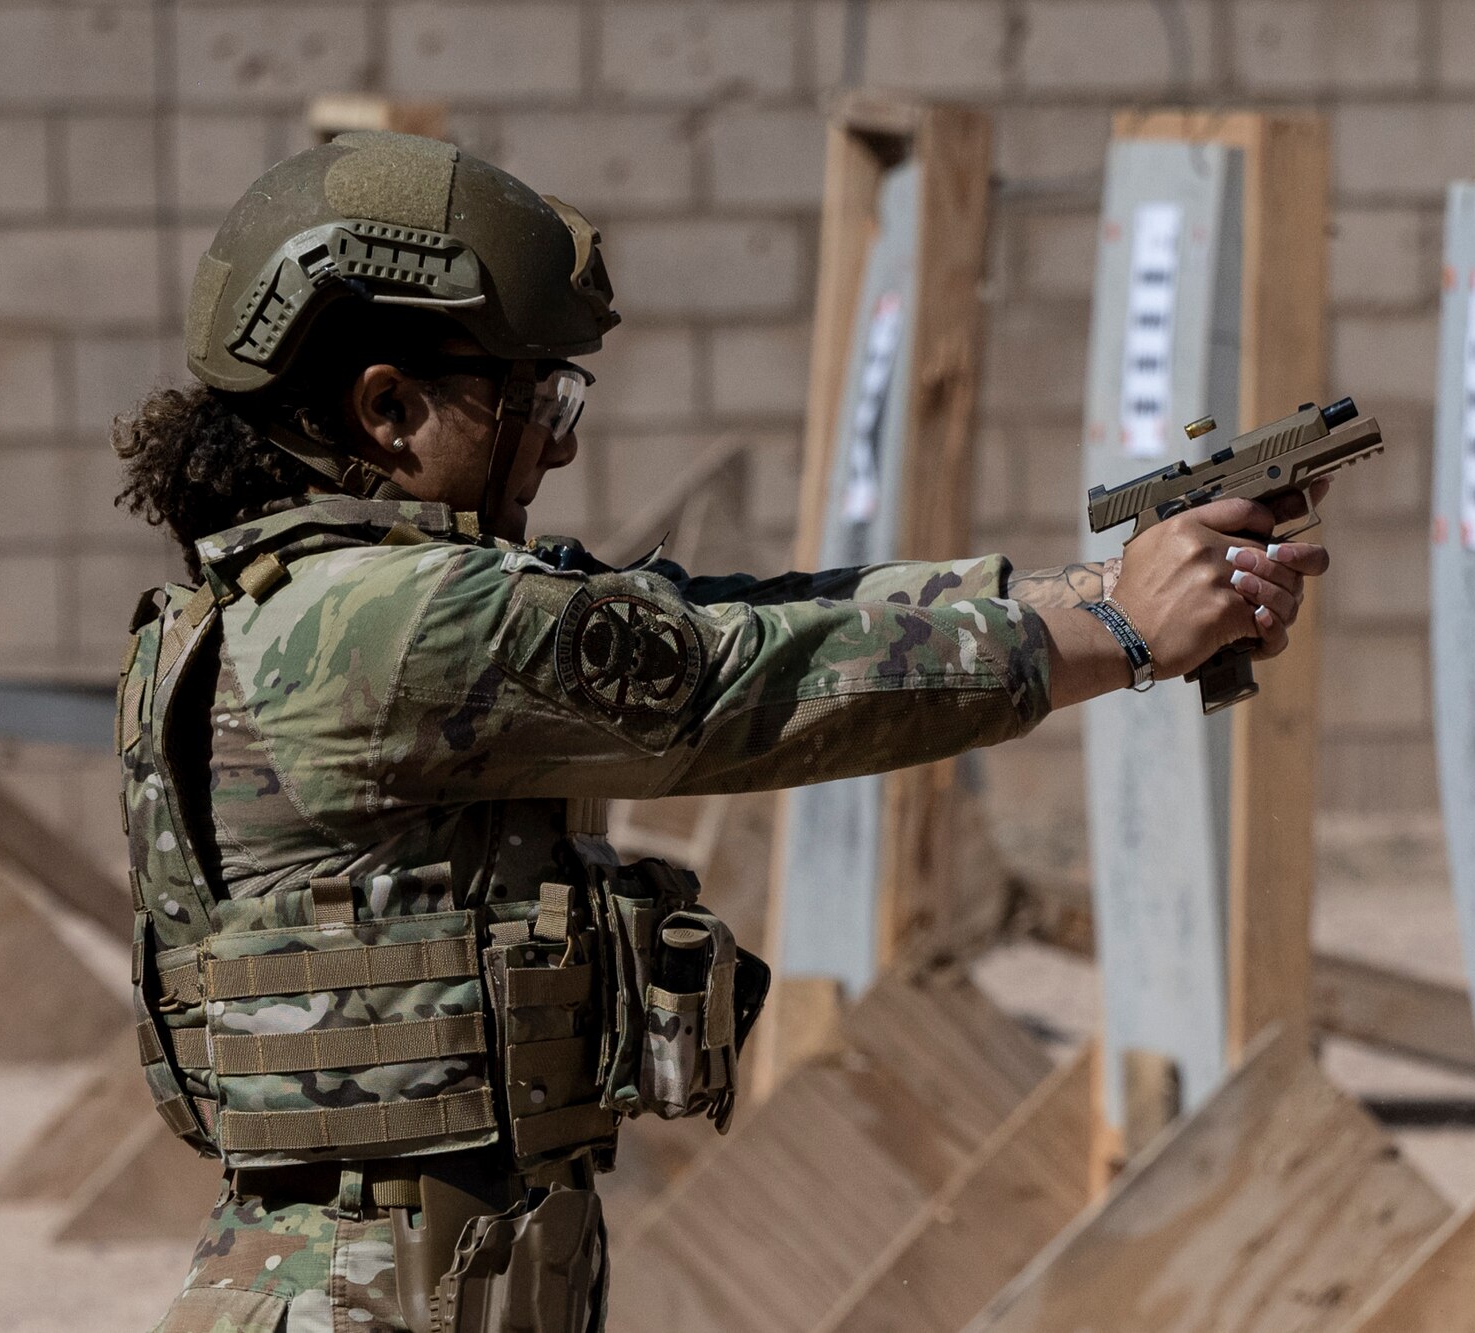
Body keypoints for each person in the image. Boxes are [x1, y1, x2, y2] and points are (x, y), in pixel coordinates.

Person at [111, 132, 1330, 1333]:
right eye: (534, 394)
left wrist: (1098, 593)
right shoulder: (405, 622)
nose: (562, 437)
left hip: (391, 1278)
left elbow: (718, 622)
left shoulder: (313, 604)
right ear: (389, 407)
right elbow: (737, 684)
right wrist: (1116, 627)